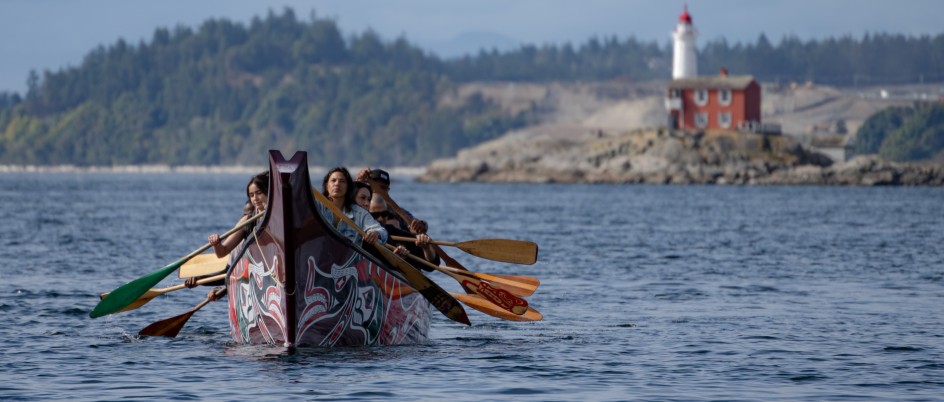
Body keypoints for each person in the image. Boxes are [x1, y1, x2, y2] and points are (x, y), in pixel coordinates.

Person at [186, 171, 270, 298]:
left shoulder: (282, 216)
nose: (255, 199)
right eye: (252, 195)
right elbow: (222, 252)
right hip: (254, 277)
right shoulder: (247, 221)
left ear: (269, 192)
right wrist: (216, 244)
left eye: (259, 193)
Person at [320, 167, 407, 258]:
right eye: (333, 180)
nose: (337, 184)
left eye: (342, 181)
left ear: (348, 187)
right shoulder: (318, 205)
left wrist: (376, 233)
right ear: (326, 186)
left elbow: (381, 231)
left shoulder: (359, 213)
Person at [369, 194, 439, 269]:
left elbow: (432, 265)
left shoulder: (394, 233)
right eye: (375, 215)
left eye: (384, 214)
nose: (380, 219)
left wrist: (426, 248)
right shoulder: (358, 233)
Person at [356, 167, 428, 235]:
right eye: (376, 187)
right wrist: (358, 181)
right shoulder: (359, 207)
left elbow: (415, 223)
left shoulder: (397, 212)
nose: (379, 191)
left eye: (384, 188)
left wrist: (422, 225)